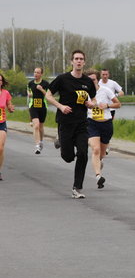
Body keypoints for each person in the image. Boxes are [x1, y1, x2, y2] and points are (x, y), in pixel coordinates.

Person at [46, 50, 96, 199]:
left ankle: (77, 188)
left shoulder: (87, 81)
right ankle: (61, 140)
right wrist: (60, 106)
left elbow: (94, 99)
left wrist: (91, 104)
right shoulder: (62, 79)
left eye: (81, 59)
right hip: (65, 122)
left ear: (84, 62)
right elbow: (48, 95)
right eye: (76, 59)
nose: (79, 61)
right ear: (71, 62)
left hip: (81, 123)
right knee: (68, 157)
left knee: (82, 153)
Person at [85, 69, 121, 189]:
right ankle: (98, 176)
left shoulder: (105, 91)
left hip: (106, 124)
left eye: (93, 80)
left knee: (100, 154)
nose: (91, 82)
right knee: (95, 150)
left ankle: (99, 163)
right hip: (92, 123)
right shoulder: (84, 94)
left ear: (97, 80)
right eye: (89, 80)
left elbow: (118, 104)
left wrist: (107, 105)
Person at [27, 67, 49, 154]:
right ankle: (37, 145)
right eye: (35, 72)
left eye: (38, 72)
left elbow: (48, 95)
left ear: (41, 74)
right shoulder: (30, 83)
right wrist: (29, 94)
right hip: (33, 106)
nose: (35, 74)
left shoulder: (46, 84)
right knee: (36, 126)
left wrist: (41, 89)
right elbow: (29, 92)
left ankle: (41, 142)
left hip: (43, 107)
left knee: (41, 127)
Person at [0, 73, 15, 180]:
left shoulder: (5, 93)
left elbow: (9, 105)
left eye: (0, 80)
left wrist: (10, 108)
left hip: (2, 123)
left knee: (0, 148)